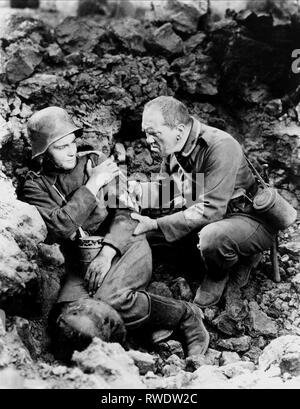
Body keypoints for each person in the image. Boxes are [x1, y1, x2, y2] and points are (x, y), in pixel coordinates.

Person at [21, 106, 209, 357]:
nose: (71, 151)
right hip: (81, 261)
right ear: (43, 153)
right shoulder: (36, 186)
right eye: (60, 147)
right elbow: (61, 227)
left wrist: (106, 254)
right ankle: (140, 329)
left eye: (72, 143)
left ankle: (184, 316)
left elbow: (126, 213)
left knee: (113, 300)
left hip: (124, 243)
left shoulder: (95, 162)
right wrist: (92, 184)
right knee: (69, 320)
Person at [131, 96, 277, 307]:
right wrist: (130, 192)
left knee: (211, 237)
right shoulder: (175, 147)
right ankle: (227, 254)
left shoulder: (220, 146)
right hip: (213, 212)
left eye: (154, 133)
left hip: (248, 218)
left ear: (179, 130)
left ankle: (219, 274)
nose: (148, 140)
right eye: (146, 132)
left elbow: (211, 210)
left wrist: (155, 225)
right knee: (152, 229)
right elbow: (167, 191)